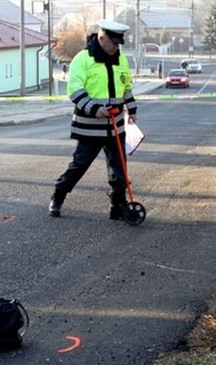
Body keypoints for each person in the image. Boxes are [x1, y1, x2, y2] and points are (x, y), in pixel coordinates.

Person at [48, 20, 137, 220]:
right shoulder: (83, 59)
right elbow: (75, 90)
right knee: (80, 165)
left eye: (119, 44)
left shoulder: (120, 59)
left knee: (119, 167)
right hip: (90, 126)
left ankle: (118, 205)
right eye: (113, 43)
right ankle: (58, 195)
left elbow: (126, 87)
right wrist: (94, 109)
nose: (116, 47)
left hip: (116, 125)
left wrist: (131, 109)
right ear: (102, 38)